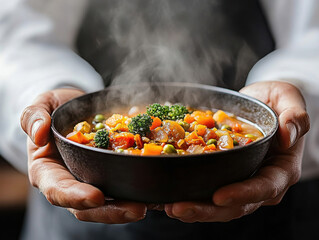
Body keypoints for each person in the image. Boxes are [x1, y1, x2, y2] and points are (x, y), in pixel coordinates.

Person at [0, 0, 317, 239]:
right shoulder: (96, 131)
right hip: (75, 213)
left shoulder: (219, 129)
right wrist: (48, 91)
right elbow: (15, 31)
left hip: (268, 216)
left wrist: (296, 89)